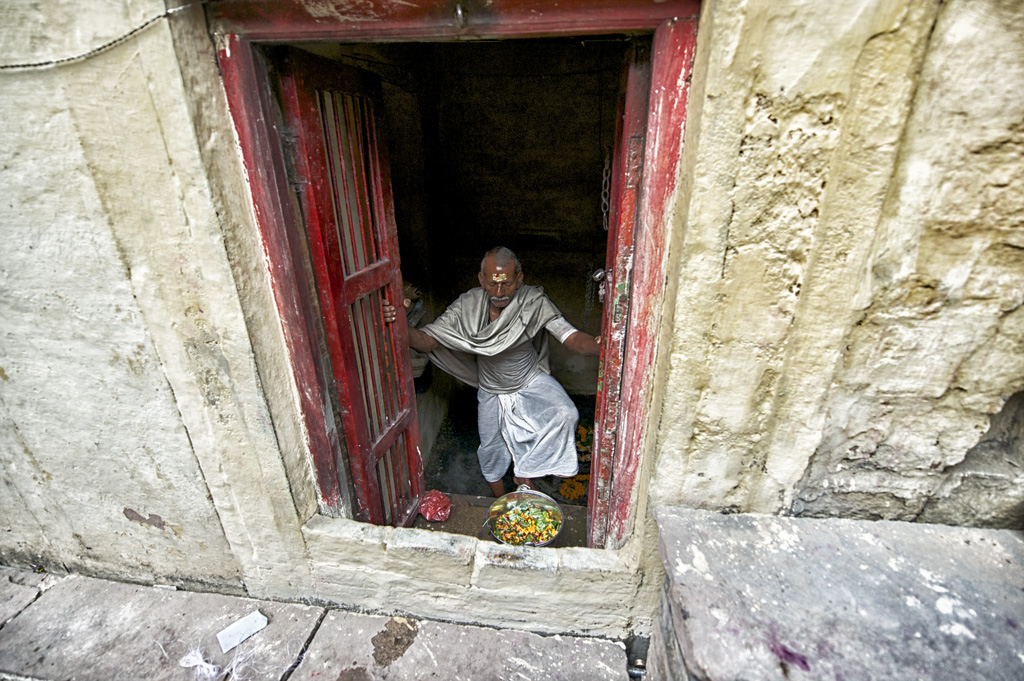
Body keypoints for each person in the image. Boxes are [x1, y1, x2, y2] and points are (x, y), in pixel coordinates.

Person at [383, 247, 600, 497]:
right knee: (491, 447)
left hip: (529, 380)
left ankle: (524, 473)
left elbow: (571, 338)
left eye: (507, 284)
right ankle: (500, 501)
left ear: (519, 279)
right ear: (481, 280)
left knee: (565, 414)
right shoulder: (468, 305)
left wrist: (602, 345)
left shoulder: (533, 302)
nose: (499, 292)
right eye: (492, 284)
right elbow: (427, 341)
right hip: (491, 389)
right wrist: (399, 320)